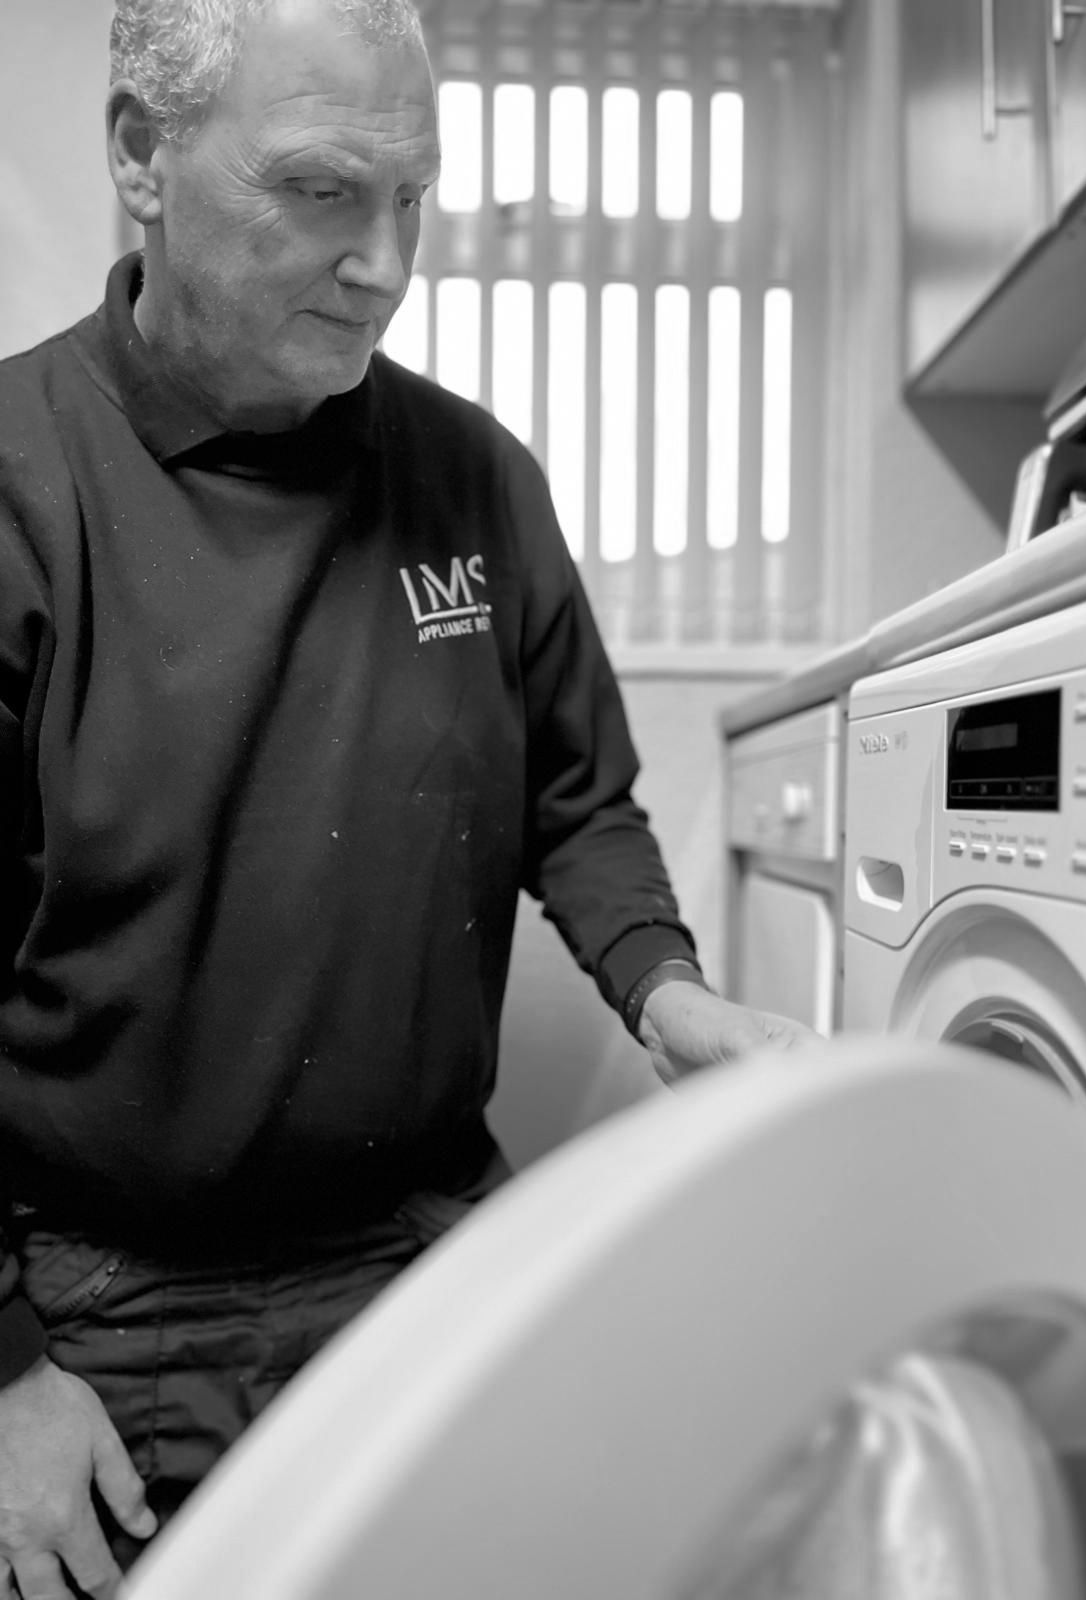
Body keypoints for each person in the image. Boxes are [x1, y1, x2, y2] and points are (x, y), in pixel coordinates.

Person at [0, 0, 812, 1593]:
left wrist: (667, 995)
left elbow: (577, 800)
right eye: (321, 190)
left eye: (414, 197)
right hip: (108, 1300)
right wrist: (6, 1378)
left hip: (426, 1239)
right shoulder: (24, 492)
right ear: (140, 157)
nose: (385, 258)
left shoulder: (478, 477)